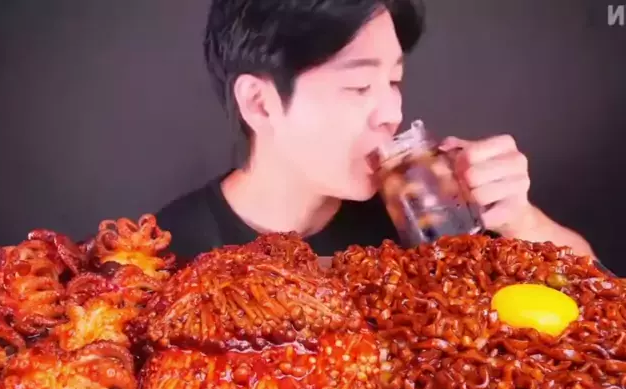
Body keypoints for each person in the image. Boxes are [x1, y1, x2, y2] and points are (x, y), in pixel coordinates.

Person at [157, 0, 595, 261]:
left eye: (394, 81)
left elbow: (606, 299)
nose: (392, 112)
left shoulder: (426, 210)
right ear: (259, 103)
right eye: (359, 86)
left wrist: (522, 220)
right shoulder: (166, 250)